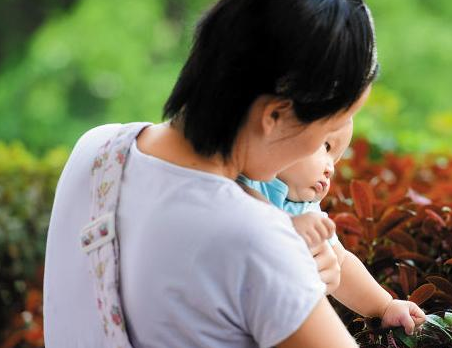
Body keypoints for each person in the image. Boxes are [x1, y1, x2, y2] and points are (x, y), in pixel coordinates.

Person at [44, 0, 380, 347]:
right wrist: (294, 281)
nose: (326, 160)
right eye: (328, 132)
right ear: (275, 116)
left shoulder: (97, 149)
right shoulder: (258, 241)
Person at [238, 118, 426, 336]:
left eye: (336, 161)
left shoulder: (308, 211)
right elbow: (239, 201)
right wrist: (284, 225)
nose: (331, 170)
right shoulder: (249, 178)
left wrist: (385, 306)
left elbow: (341, 262)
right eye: (326, 146)